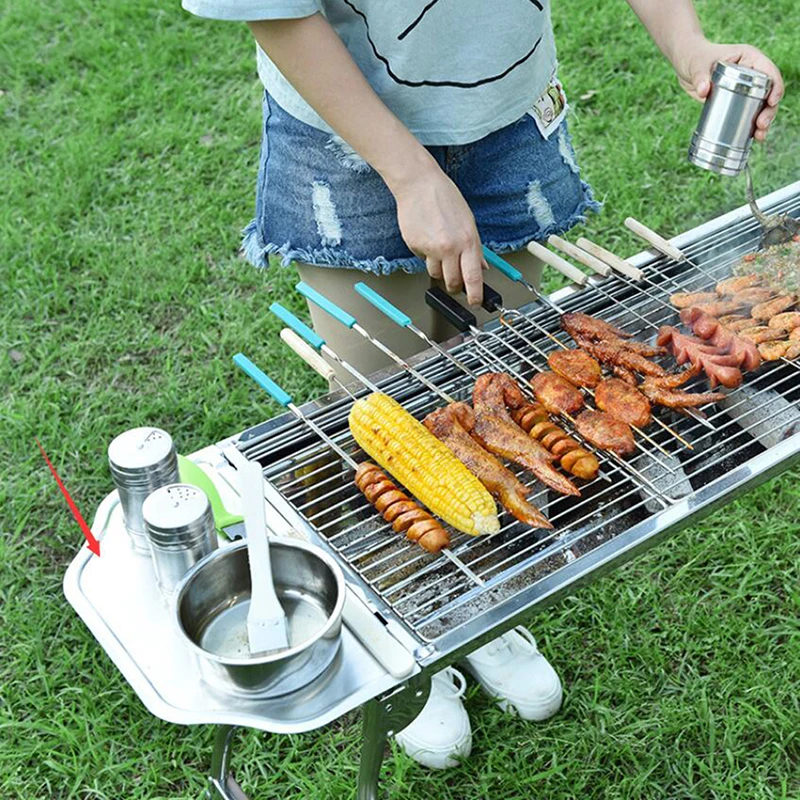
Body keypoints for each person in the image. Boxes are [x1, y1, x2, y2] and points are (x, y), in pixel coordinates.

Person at [182, 0, 783, 770]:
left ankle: (483, 609)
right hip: (343, 133)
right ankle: (406, 637)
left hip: (510, 116)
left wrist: (688, 40)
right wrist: (410, 174)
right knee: (380, 405)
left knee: (501, 373)